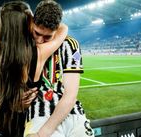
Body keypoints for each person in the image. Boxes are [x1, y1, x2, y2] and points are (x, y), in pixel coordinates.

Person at [0, 1, 68, 137]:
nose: (41, 40)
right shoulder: (40, 52)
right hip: (12, 129)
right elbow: (63, 28)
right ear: (26, 24)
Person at [24, 1, 94, 137]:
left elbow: (70, 95)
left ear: (57, 30)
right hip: (39, 112)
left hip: (72, 113)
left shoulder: (71, 45)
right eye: (37, 33)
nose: (39, 40)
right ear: (32, 23)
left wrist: (41, 134)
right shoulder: (24, 42)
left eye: (47, 37)